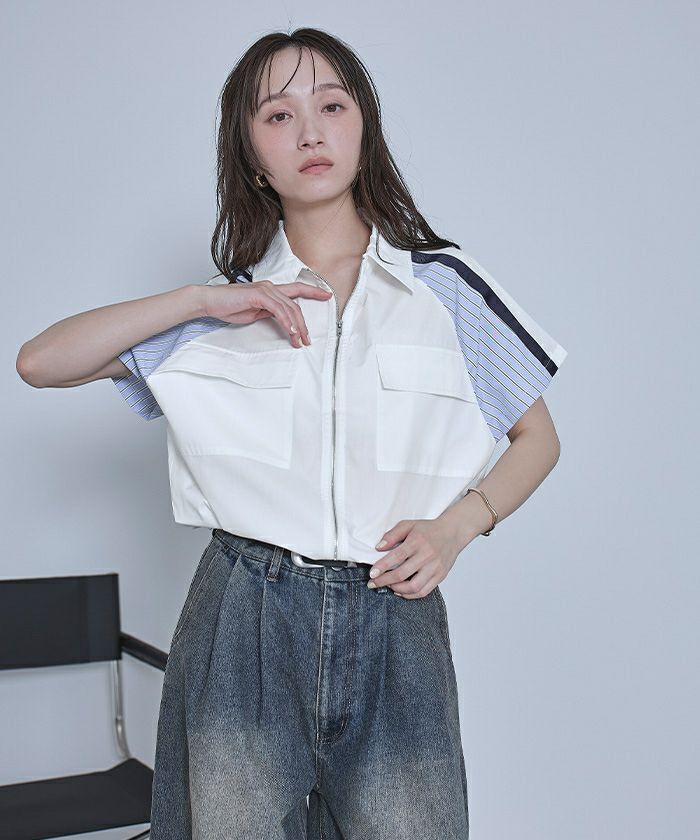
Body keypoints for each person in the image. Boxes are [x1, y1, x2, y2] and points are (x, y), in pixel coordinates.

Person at [16, 27, 568, 840]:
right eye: (278, 115)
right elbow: (39, 363)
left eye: (332, 106)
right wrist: (200, 299)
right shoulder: (224, 310)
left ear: (363, 127)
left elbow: (538, 438)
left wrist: (457, 526)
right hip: (243, 621)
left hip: (395, 619)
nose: (310, 132)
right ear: (252, 156)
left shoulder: (444, 288)